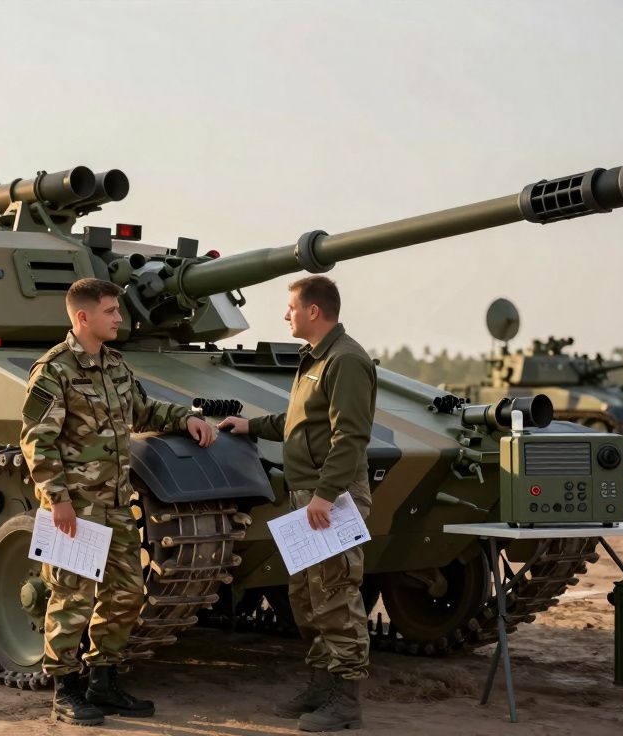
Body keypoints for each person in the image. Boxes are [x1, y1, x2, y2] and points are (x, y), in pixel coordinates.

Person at [20, 277, 217, 726]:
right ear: (82, 316)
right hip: (76, 507)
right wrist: (57, 500)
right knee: (72, 597)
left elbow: (142, 411)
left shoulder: (114, 365)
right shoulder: (54, 370)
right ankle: (65, 690)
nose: (118, 318)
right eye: (110, 311)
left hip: (115, 503)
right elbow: (36, 440)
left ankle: (103, 681)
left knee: (127, 593)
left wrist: (185, 418)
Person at [218, 275, 375, 732]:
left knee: (335, 595)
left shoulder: (345, 360)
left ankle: (346, 699)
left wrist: (326, 494)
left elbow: (351, 436)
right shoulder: (316, 358)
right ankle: (322, 685)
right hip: (308, 495)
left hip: (331, 496)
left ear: (313, 311)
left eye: (290, 307)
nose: (285, 314)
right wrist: (252, 426)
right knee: (306, 597)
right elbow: (301, 421)